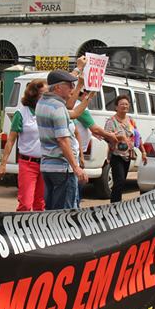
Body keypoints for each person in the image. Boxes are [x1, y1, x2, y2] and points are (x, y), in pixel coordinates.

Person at [36, 70, 87, 210]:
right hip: (62, 167)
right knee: (64, 214)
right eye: (69, 85)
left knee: (51, 211)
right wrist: (76, 167)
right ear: (58, 87)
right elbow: (63, 140)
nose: (72, 88)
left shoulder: (42, 102)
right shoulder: (58, 108)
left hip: (47, 166)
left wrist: (89, 96)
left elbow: (74, 112)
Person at [0, 79, 46, 211]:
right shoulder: (21, 113)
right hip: (28, 164)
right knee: (26, 203)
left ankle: (38, 225)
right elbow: (11, 140)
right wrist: (3, 163)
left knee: (40, 204)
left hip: (46, 163)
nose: (46, 98)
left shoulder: (48, 112)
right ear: (33, 94)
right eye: (43, 94)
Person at [104, 94, 148, 203]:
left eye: (127, 104)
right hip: (116, 155)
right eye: (122, 104)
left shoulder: (131, 121)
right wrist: (119, 137)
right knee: (119, 181)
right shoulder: (111, 121)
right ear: (116, 107)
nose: (125, 106)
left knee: (121, 182)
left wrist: (143, 152)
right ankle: (114, 205)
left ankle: (116, 204)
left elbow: (137, 137)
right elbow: (106, 137)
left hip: (128, 156)